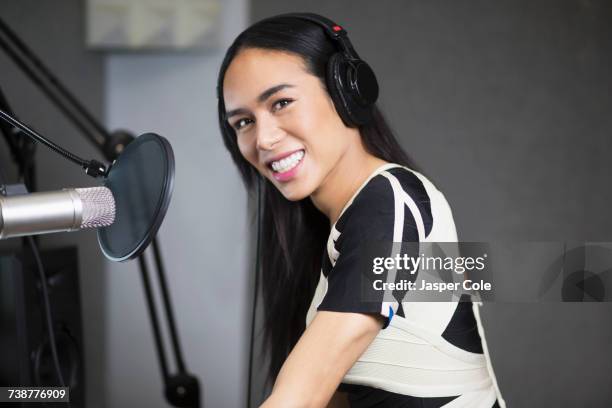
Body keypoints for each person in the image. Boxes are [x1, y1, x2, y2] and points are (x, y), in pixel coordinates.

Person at [217, 12, 506, 408]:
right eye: (243, 122)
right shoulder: (340, 230)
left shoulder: (389, 204)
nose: (263, 138)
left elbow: (299, 396)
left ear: (345, 91)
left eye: (281, 102)